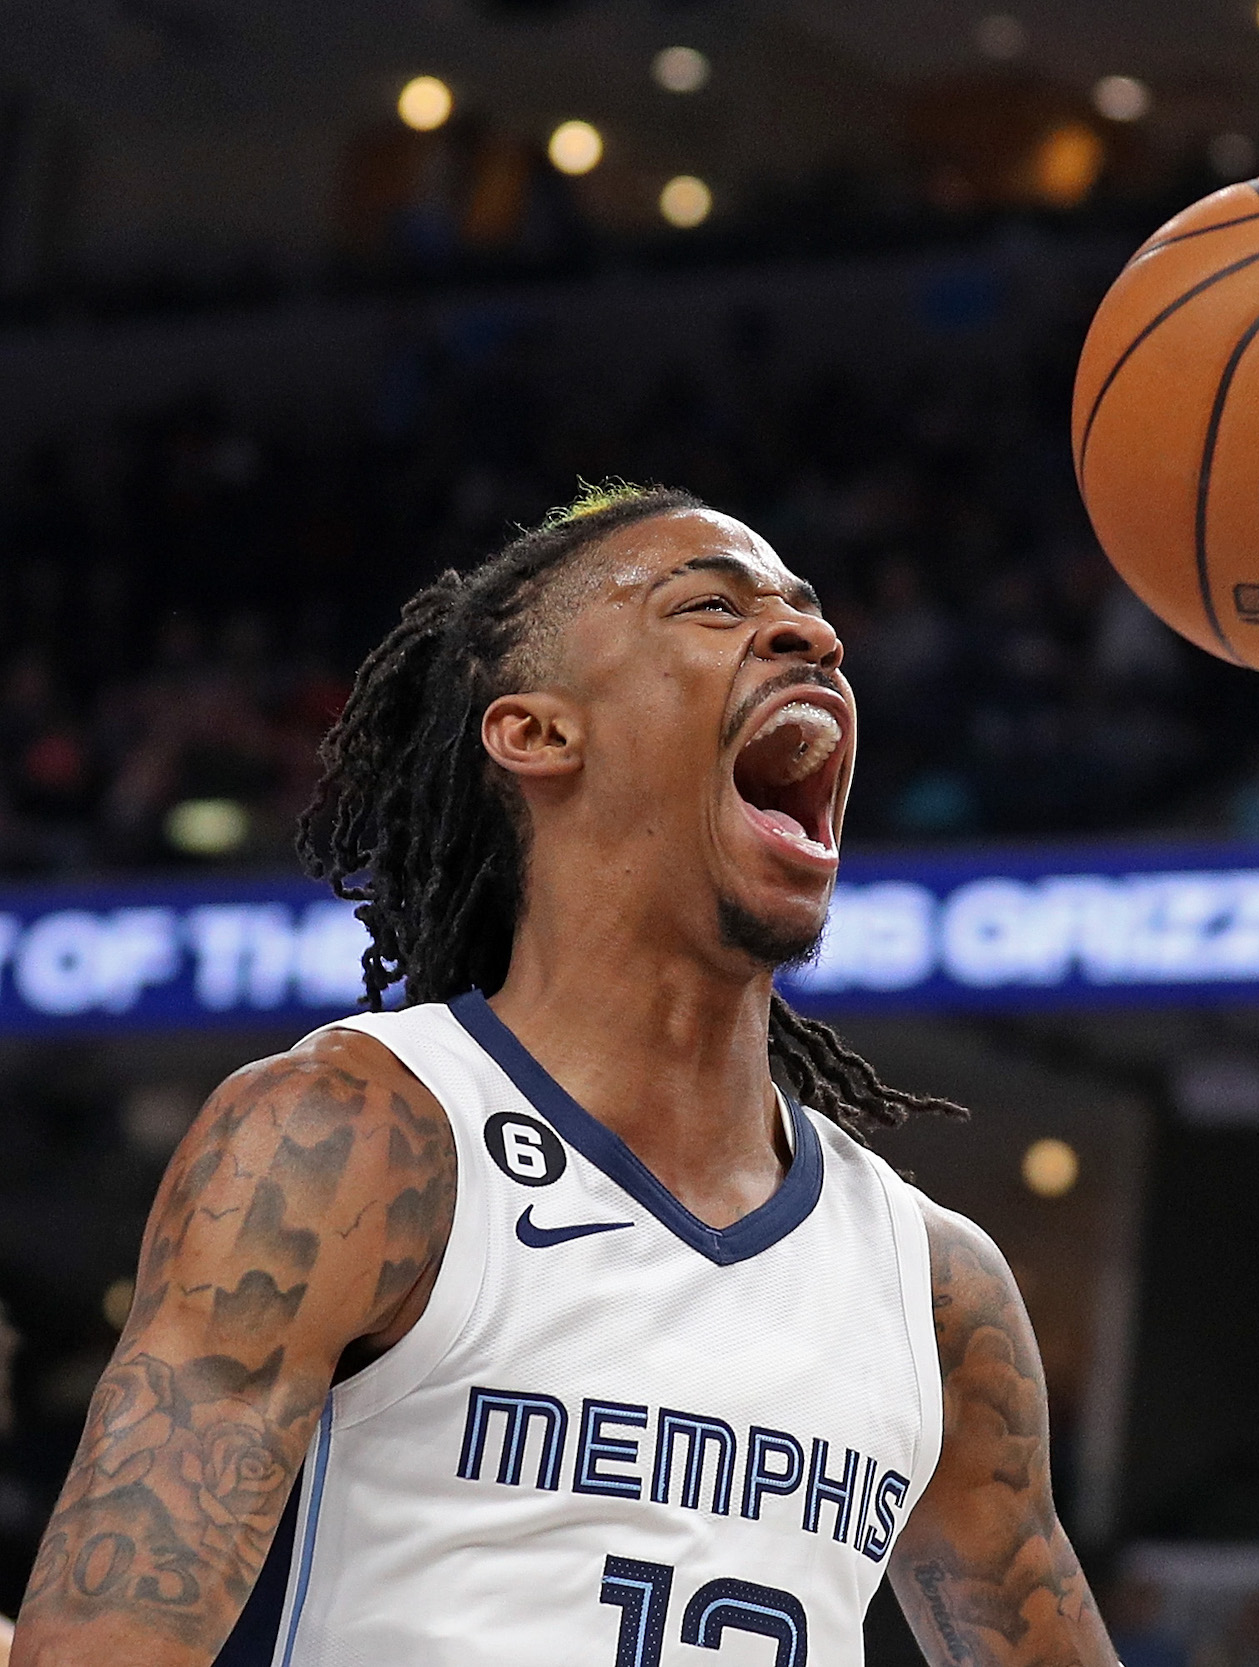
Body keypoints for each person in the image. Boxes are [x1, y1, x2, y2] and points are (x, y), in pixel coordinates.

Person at [12, 486, 1118, 1667]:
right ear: (536, 732)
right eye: (710, 604)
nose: (814, 637)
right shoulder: (356, 1138)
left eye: (811, 614)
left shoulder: (938, 1289)